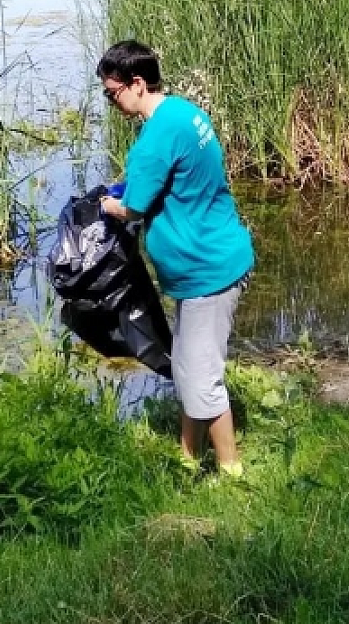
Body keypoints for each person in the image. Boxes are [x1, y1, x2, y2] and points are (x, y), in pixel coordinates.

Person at [96, 40, 254, 478]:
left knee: (202, 376)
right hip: (214, 256)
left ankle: (231, 472)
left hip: (208, 270)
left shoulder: (155, 139)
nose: (112, 103)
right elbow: (160, 177)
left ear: (137, 83)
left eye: (113, 94)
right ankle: (187, 456)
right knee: (187, 366)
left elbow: (133, 209)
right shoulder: (184, 112)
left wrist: (109, 206)